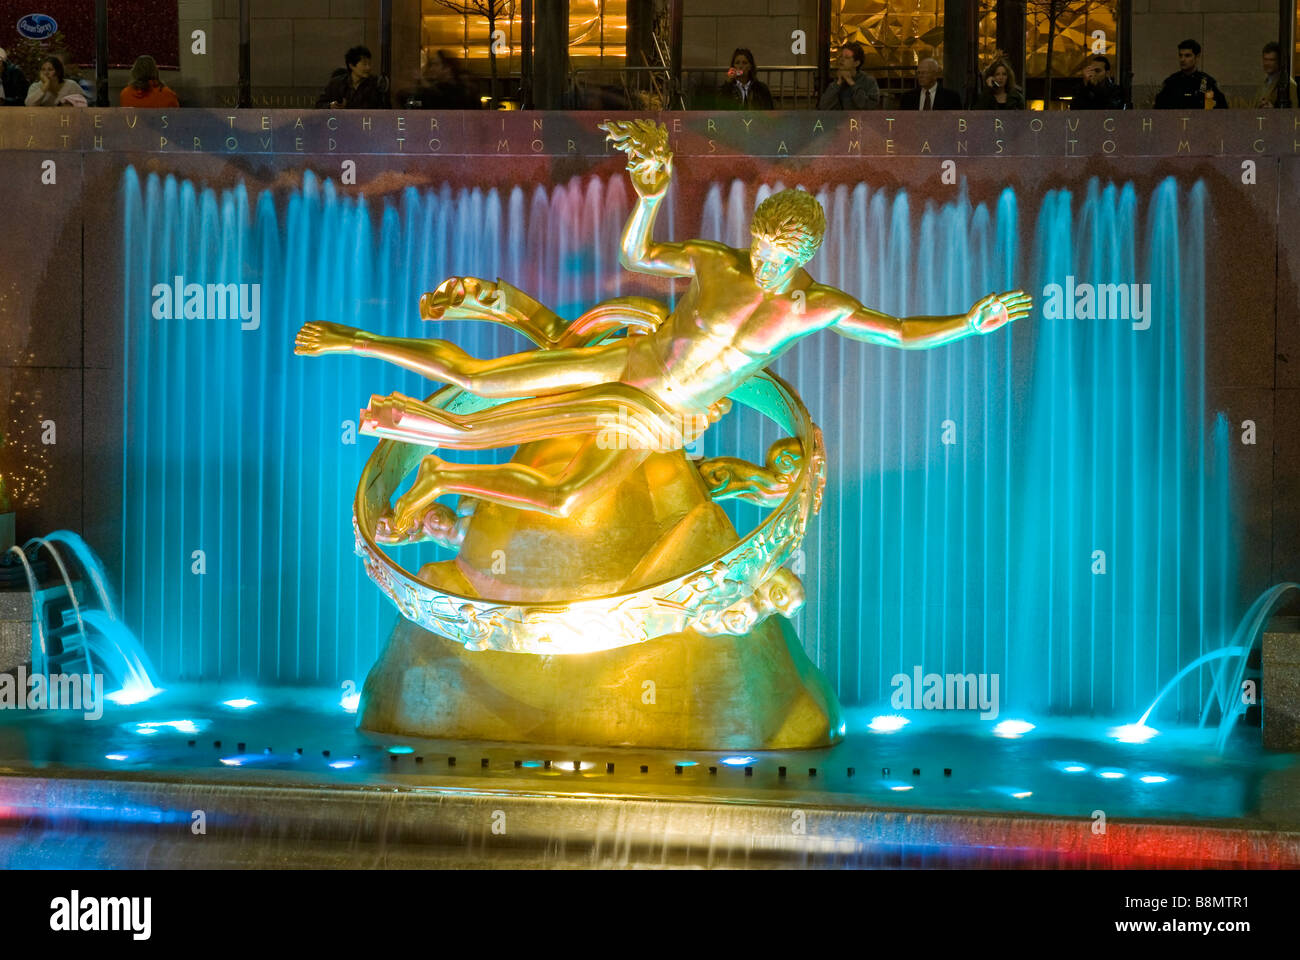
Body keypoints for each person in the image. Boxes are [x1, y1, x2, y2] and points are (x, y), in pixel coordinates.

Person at [294, 120, 1030, 533]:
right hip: (628, 359)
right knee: (479, 378)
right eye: (764, 249)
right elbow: (637, 254)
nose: (767, 265)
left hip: (653, 413)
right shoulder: (716, 261)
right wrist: (649, 194)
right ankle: (355, 344)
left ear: (808, 255)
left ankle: (436, 459)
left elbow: (897, 332)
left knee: (562, 498)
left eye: (782, 258)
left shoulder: (816, 307)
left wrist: (968, 322)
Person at [1153, 39, 1226, 109]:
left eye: (1187, 56)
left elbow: (1222, 112)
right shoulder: (1171, 83)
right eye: (1180, 55)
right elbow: (1158, 112)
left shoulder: (1207, 83)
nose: (1182, 59)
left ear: (1197, 57)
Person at [316, 45, 388, 109]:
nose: (368, 67)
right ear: (351, 65)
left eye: (369, 64)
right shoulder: (336, 84)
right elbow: (319, 104)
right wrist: (330, 106)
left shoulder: (375, 84)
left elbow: (385, 109)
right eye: (364, 64)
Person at [401, 49, 477, 109]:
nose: (432, 68)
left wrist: (423, 83)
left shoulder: (456, 90)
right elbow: (416, 102)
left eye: (436, 64)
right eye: (431, 65)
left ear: (447, 68)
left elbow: (441, 100)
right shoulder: (435, 87)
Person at [818, 42, 880, 110]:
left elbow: (869, 106)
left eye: (847, 57)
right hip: (840, 119)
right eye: (841, 56)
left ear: (856, 63)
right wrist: (838, 84)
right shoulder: (837, 81)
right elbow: (823, 106)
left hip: (861, 119)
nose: (841, 60)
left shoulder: (868, 81)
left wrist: (851, 83)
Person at [1253, 41, 1296, 109]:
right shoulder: (1264, 82)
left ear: (1279, 61)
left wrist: (1274, 111)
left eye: (1271, 60)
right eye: (1265, 59)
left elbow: (1294, 112)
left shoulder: (1289, 84)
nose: (1267, 63)